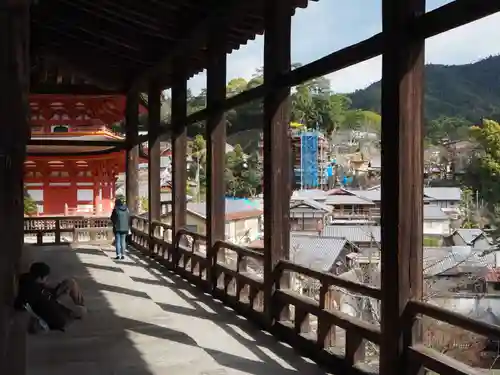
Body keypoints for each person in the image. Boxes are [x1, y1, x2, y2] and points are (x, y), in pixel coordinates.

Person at [15, 262, 86, 333]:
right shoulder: (33, 292)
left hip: (50, 298)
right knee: (82, 311)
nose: (47, 279)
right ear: (40, 278)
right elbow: (22, 306)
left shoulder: (28, 279)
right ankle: (80, 307)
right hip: (58, 317)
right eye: (46, 277)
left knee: (70, 282)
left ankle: (79, 304)